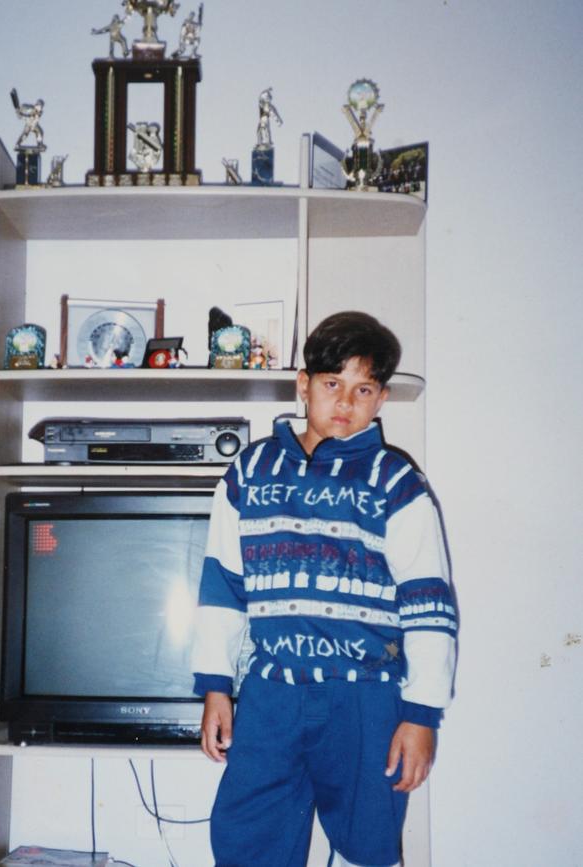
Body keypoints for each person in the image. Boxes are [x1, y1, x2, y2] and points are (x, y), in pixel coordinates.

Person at [191, 310, 457, 867]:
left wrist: (421, 714)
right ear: (303, 385)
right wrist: (216, 685)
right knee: (248, 839)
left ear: (380, 399)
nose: (344, 402)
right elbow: (222, 585)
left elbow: (429, 605)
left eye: (363, 389)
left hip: (363, 697)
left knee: (369, 843)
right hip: (272, 695)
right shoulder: (250, 472)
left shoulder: (396, 483)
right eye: (332, 383)